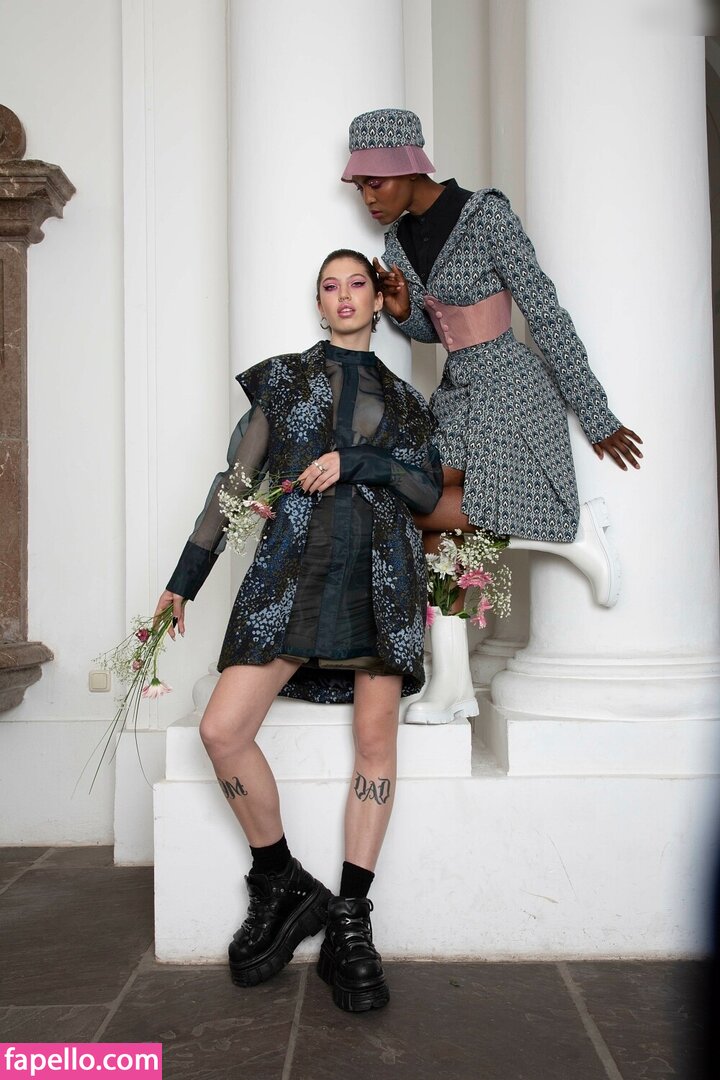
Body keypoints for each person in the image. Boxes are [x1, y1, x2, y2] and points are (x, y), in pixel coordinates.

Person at [152, 249, 442, 1013]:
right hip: (291, 574)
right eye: (329, 287)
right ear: (319, 304)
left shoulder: (406, 402)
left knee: (376, 744)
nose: (343, 296)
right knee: (222, 729)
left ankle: (351, 919)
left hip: (382, 577)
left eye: (356, 285)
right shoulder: (282, 380)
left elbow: (422, 489)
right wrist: (184, 581)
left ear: (375, 301)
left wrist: (358, 461)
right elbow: (234, 485)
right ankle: (280, 878)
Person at [341, 107, 643, 724]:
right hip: (457, 396)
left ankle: (573, 533)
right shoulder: (396, 243)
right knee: (430, 520)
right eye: (360, 185)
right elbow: (439, 328)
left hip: (510, 390)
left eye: (376, 181)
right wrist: (403, 311)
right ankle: (452, 686)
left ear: (410, 166)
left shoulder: (485, 215)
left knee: (422, 502)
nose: (368, 197)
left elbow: (544, 310)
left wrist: (595, 412)